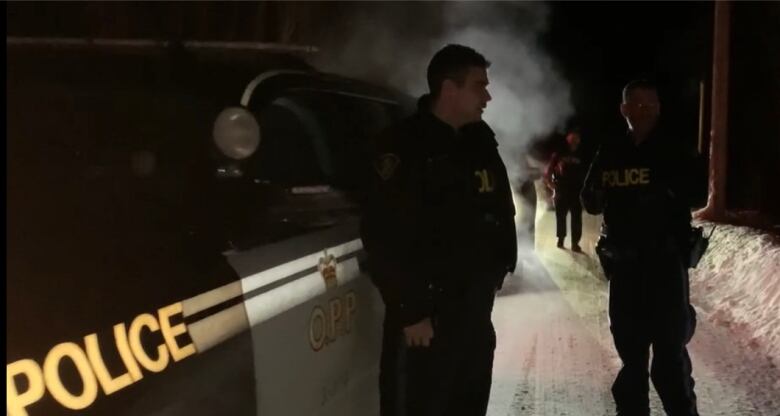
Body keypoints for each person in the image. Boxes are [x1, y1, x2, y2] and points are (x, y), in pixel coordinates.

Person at [360, 44, 517, 416]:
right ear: (449, 90)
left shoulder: (480, 142)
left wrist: (498, 269)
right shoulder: (404, 147)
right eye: (479, 86)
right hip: (426, 323)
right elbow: (383, 235)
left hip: (474, 316)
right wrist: (412, 311)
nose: (488, 96)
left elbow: (499, 209)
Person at [581, 79, 699, 416]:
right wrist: (600, 195)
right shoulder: (611, 150)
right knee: (632, 364)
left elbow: (698, 192)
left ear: (659, 108)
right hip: (626, 270)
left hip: (665, 269)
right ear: (624, 110)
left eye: (651, 105)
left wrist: (664, 194)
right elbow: (589, 199)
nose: (645, 112)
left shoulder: (675, 149)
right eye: (638, 105)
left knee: (670, 364)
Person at [544, 130, 586, 251]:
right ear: (568, 138)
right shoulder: (559, 153)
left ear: (579, 139)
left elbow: (588, 172)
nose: (574, 139)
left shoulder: (582, 154)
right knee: (560, 216)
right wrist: (551, 185)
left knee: (577, 217)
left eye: (577, 137)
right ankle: (561, 239)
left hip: (577, 191)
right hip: (562, 189)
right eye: (572, 136)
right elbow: (549, 171)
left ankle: (575, 243)